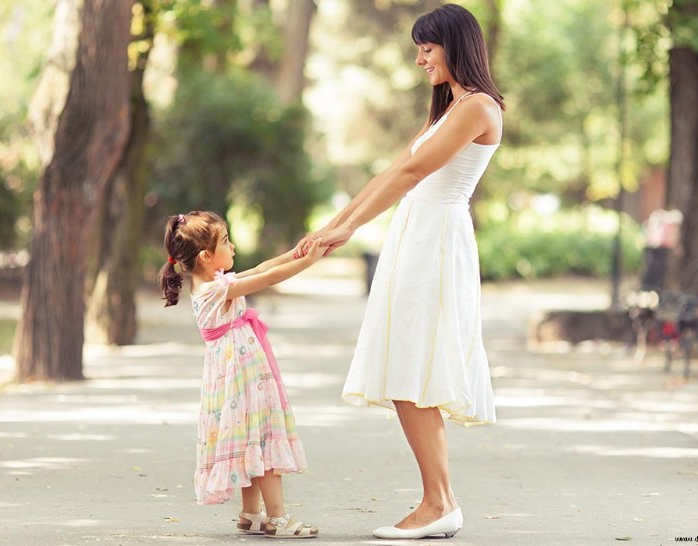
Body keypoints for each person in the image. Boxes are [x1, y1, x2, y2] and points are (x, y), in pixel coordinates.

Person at [296, 3, 503, 540]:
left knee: (413, 369)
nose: (419, 60)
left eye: (427, 48)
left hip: (435, 245)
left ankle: (440, 503)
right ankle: (440, 501)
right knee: (405, 370)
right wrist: (334, 225)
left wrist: (350, 229)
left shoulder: (478, 108)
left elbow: (412, 172)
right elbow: (394, 168)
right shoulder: (449, 110)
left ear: (455, 46)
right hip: (416, 240)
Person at [161, 211, 324, 539]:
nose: (233, 246)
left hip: (234, 375)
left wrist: (295, 253)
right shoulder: (216, 290)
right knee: (260, 438)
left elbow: (262, 269)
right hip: (241, 375)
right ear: (207, 256)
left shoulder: (213, 284)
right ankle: (277, 519)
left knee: (248, 436)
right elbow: (267, 280)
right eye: (225, 241)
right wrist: (308, 263)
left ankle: (251, 513)